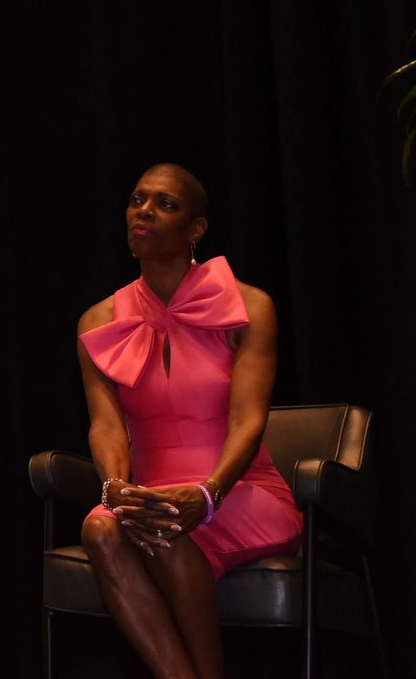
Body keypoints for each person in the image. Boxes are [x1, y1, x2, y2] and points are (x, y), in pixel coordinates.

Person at [74, 163, 301, 678]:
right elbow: (106, 426)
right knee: (100, 528)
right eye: (137, 200)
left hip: (239, 489)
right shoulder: (98, 321)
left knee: (166, 527)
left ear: (196, 229)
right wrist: (114, 487)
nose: (144, 211)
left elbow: (248, 420)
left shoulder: (249, 305)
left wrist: (207, 493)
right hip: (150, 495)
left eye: (166, 204)